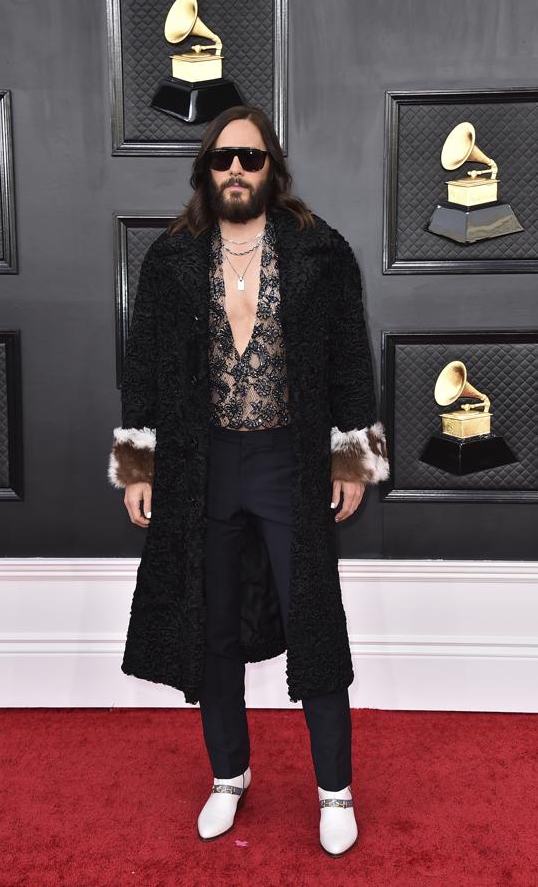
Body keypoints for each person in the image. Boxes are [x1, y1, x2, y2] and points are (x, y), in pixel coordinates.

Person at [108, 105, 389, 857]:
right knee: (211, 627)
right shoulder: (170, 259)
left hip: (287, 463)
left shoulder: (319, 252)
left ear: (273, 169)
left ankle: (336, 791)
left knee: (315, 623)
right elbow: (142, 370)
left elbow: (350, 360)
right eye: (224, 158)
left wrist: (352, 458)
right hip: (202, 466)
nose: (238, 169)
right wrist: (140, 466)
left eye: (252, 158)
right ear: (207, 169)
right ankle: (228, 777)